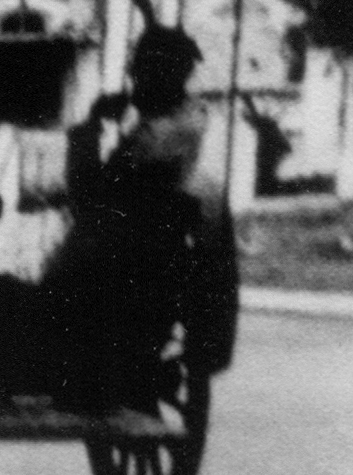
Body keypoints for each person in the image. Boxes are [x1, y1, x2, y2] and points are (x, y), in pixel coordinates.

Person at [46, 23, 234, 404]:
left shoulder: (165, 131)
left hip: (136, 251)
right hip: (153, 241)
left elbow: (92, 193)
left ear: (164, 75)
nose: (134, 81)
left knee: (65, 269)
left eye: (141, 72)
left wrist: (91, 128)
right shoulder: (184, 118)